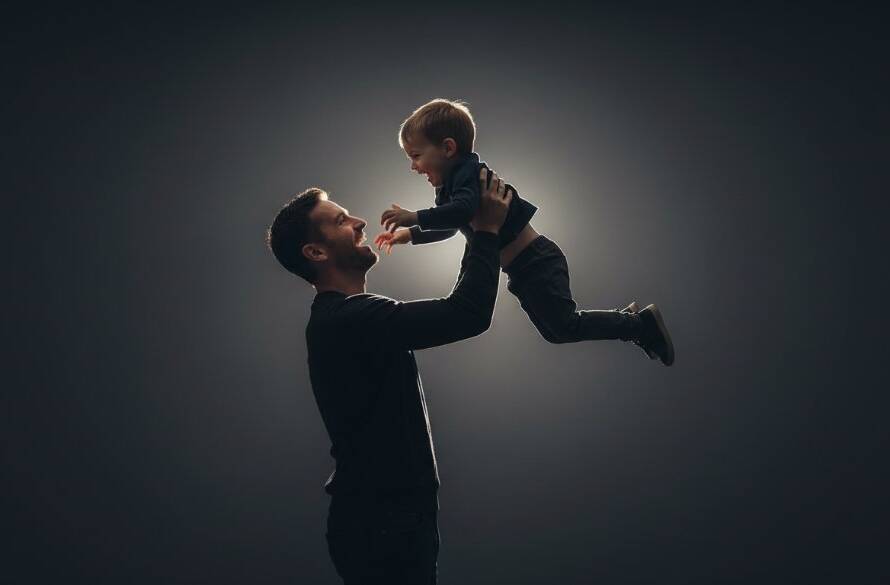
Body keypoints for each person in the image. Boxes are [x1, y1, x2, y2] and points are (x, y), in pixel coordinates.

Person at [267, 167, 513, 584]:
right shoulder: (347, 320)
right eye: (341, 220)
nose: (360, 221)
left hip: (389, 523)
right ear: (316, 253)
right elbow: (467, 314)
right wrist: (485, 230)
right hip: (380, 527)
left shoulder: (351, 318)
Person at [375, 98, 675, 365]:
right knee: (556, 332)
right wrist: (412, 234)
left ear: (448, 148)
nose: (414, 167)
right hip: (523, 269)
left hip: (537, 261)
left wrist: (414, 216)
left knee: (565, 327)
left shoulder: (468, 173)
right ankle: (629, 320)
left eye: (415, 156)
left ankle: (638, 324)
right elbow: (452, 225)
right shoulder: (451, 188)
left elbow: (462, 212)